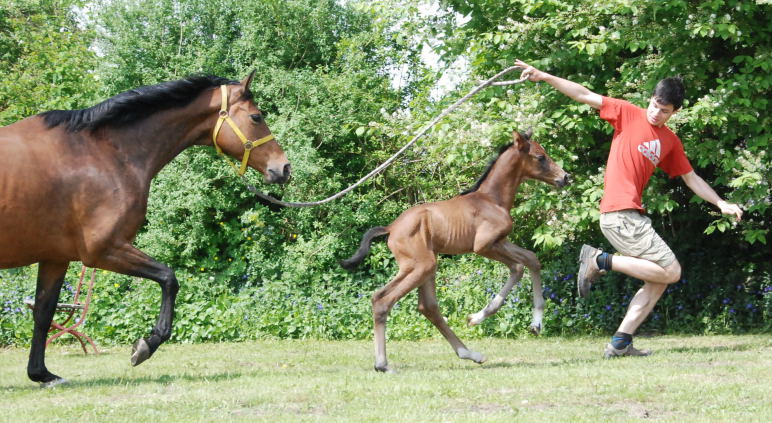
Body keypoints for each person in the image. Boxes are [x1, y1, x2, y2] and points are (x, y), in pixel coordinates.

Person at [514, 59, 743, 358]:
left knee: (658, 278)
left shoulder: (669, 141)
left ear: (675, 113)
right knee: (672, 271)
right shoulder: (627, 114)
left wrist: (721, 202)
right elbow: (583, 94)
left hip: (632, 216)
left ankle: (620, 342)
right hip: (618, 213)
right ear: (650, 99)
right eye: (655, 105)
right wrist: (544, 76)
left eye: (664, 110)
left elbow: (691, 177)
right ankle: (599, 260)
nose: (656, 112)